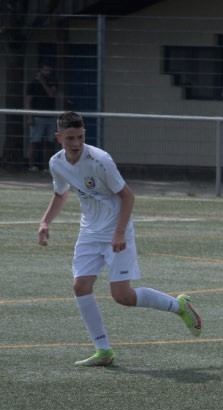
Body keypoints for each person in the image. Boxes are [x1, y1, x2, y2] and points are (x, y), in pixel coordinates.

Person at [37, 111, 202, 367]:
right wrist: (45, 221)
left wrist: (119, 232)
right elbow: (60, 194)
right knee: (80, 286)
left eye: (80, 137)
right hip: (90, 232)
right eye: (70, 138)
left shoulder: (101, 160)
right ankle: (103, 350)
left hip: (117, 230)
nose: (76, 143)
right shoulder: (56, 163)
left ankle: (177, 305)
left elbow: (128, 197)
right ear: (59, 137)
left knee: (122, 296)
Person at [24, 62, 58, 172]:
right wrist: (30, 116)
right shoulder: (32, 84)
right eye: (45, 70)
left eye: (49, 71)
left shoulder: (52, 81)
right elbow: (28, 101)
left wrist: (43, 82)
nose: (47, 73)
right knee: (34, 141)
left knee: (49, 142)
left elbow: (51, 94)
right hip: (37, 117)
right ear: (40, 70)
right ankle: (31, 165)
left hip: (50, 116)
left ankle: (46, 166)